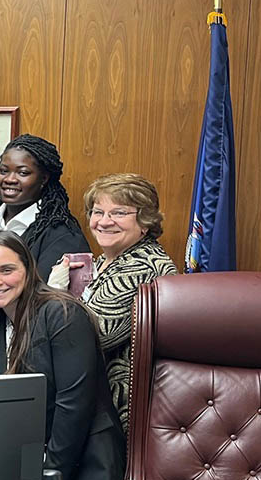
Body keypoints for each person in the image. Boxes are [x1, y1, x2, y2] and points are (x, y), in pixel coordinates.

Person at [0, 230, 125, 480]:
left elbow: (74, 406)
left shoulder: (61, 313)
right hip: (28, 466)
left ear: (28, 270)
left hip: (82, 467)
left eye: (7, 270)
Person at [48, 173, 178, 433]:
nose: (104, 222)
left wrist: (54, 293)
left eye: (118, 213)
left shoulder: (143, 265)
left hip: (119, 412)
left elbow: (97, 334)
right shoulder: (101, 262)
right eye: (98, 212)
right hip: (92, 403)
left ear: (144, 221)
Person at [0, 134, 89, 279]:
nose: (9, 179)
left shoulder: (64, 236)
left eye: (23, 173)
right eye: (4, 171)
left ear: (44, 179)